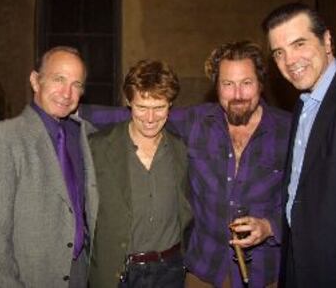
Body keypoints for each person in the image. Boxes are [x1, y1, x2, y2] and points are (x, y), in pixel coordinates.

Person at [80, 41, 291, 288]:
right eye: (227, 84)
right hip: (202, 271)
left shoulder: (289, 131)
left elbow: (310, 203)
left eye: (246, 83)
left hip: (263, 273)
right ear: (216, 87)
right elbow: (132, 116)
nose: (237, 94)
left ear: (261, 83)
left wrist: (269, 226)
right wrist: (69, 108)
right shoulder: (197, 122)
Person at [262, 2, 336, 288]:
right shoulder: (304, 105)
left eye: (299, 43)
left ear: (327, 40)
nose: (290, 60)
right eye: (279, 53)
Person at [0, 46, 97, 288]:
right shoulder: (2, 139)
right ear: (35, 81)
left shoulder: (86, 136)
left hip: (79, 276)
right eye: (59, 79)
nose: (67, 93)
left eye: (76, 84)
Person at [88, 59, 192, 288]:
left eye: (159, 107)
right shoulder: (97, 147)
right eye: (142, 107)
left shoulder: (181, 150)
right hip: (117, 271)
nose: (150, 118)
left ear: (171, 105)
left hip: (170, 271)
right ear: (128, 102)